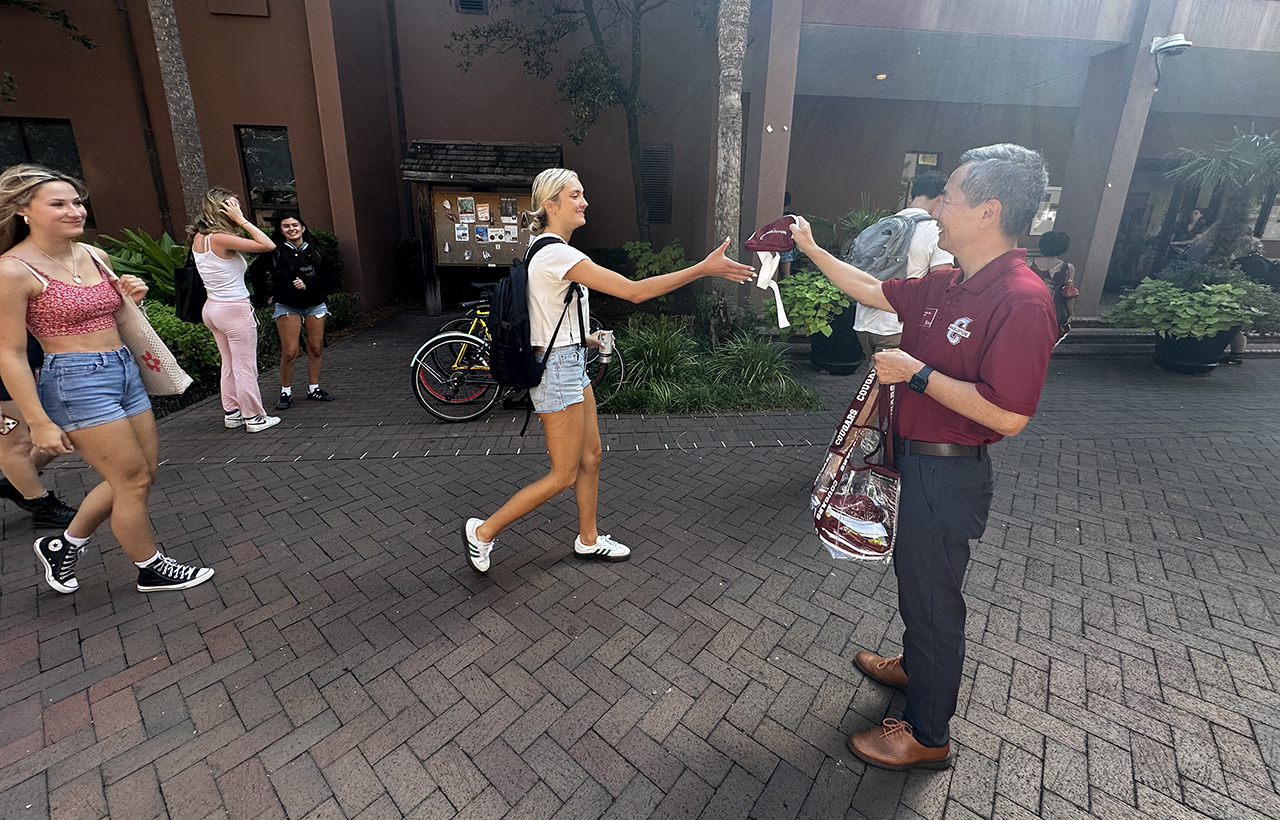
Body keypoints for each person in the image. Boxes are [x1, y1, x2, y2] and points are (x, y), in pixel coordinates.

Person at [791, 144, 1059, 771]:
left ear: (989, 210)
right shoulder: (946, 280)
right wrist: (807, 246)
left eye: (951, 196)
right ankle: (915, 669)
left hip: (950, 472)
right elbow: (868, 287)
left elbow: (1010, 415)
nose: (937, 206)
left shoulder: (1022, 299)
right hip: (915, 461)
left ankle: (928, 734)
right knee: (918, 585)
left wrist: (917, 376)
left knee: (935, 601)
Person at [462, 168, 754, 572]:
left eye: (583, 194)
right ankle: (482, 532)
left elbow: (544, 320)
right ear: (551, 205)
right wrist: (702, 269)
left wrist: (588, 340)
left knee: (592, 456)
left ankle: (588, 539)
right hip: (557, 374)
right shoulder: (557, 254)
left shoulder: (543, 250)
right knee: (562, 474)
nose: (584, 202)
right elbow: (633, 292)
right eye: (575, 195)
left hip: (568, 364)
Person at [0, 163, 215, 593]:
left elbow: (113, 310)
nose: (74, 210)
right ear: (24, 209)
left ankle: (65, 545)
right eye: (58, 203)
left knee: (142, 474)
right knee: (131, 480)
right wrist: (38, 420)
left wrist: (130, 295)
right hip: (75, 381)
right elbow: (9, 352)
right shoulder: (12, 270)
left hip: (124, 369)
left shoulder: (92, 254)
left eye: (77, 202)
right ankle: (150, 566)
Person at [190, 188, 280, 431]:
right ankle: (254, 417)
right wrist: (242, 221)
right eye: (234, 206)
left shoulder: (201, 237)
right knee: (245, 366)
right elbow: (268, 245)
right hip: (233, 310)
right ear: (223, 210)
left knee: (229, 363)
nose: (239, 210)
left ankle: (232, 412)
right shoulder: (220, 238)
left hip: (212, 309)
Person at [852, 171, 953, 361]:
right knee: (883, 386)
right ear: (941, 198)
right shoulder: (935, 233)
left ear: (912, 196)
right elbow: (941, 284)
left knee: (880, 381)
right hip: (898, 327)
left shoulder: (881, 226)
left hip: (863, 322)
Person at [248, 214, 338, 409]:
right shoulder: (275, 252)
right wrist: (266, 296)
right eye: (286, 226)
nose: (291, 229)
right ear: (281, 231)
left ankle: (314, 388)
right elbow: (255, 271)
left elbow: (330, 280)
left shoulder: (317, 251)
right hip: (287, 306)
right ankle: (285, 391)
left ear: (303, 228)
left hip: (315, 305)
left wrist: (309, 286)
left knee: (315, 348)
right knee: (290, 351)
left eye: (295, 225)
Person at [0, 332, 77, 527]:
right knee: (15, 442)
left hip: (27, 356)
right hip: (5, 368)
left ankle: (17, 482)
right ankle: (41, 506)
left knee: (68, 425)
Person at [1029, 230, 1078, 340]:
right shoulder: (1067, 267)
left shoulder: (1029, 264)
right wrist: (1071, 313)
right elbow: (1068, 293)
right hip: (1053, 308)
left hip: (1031, 306)